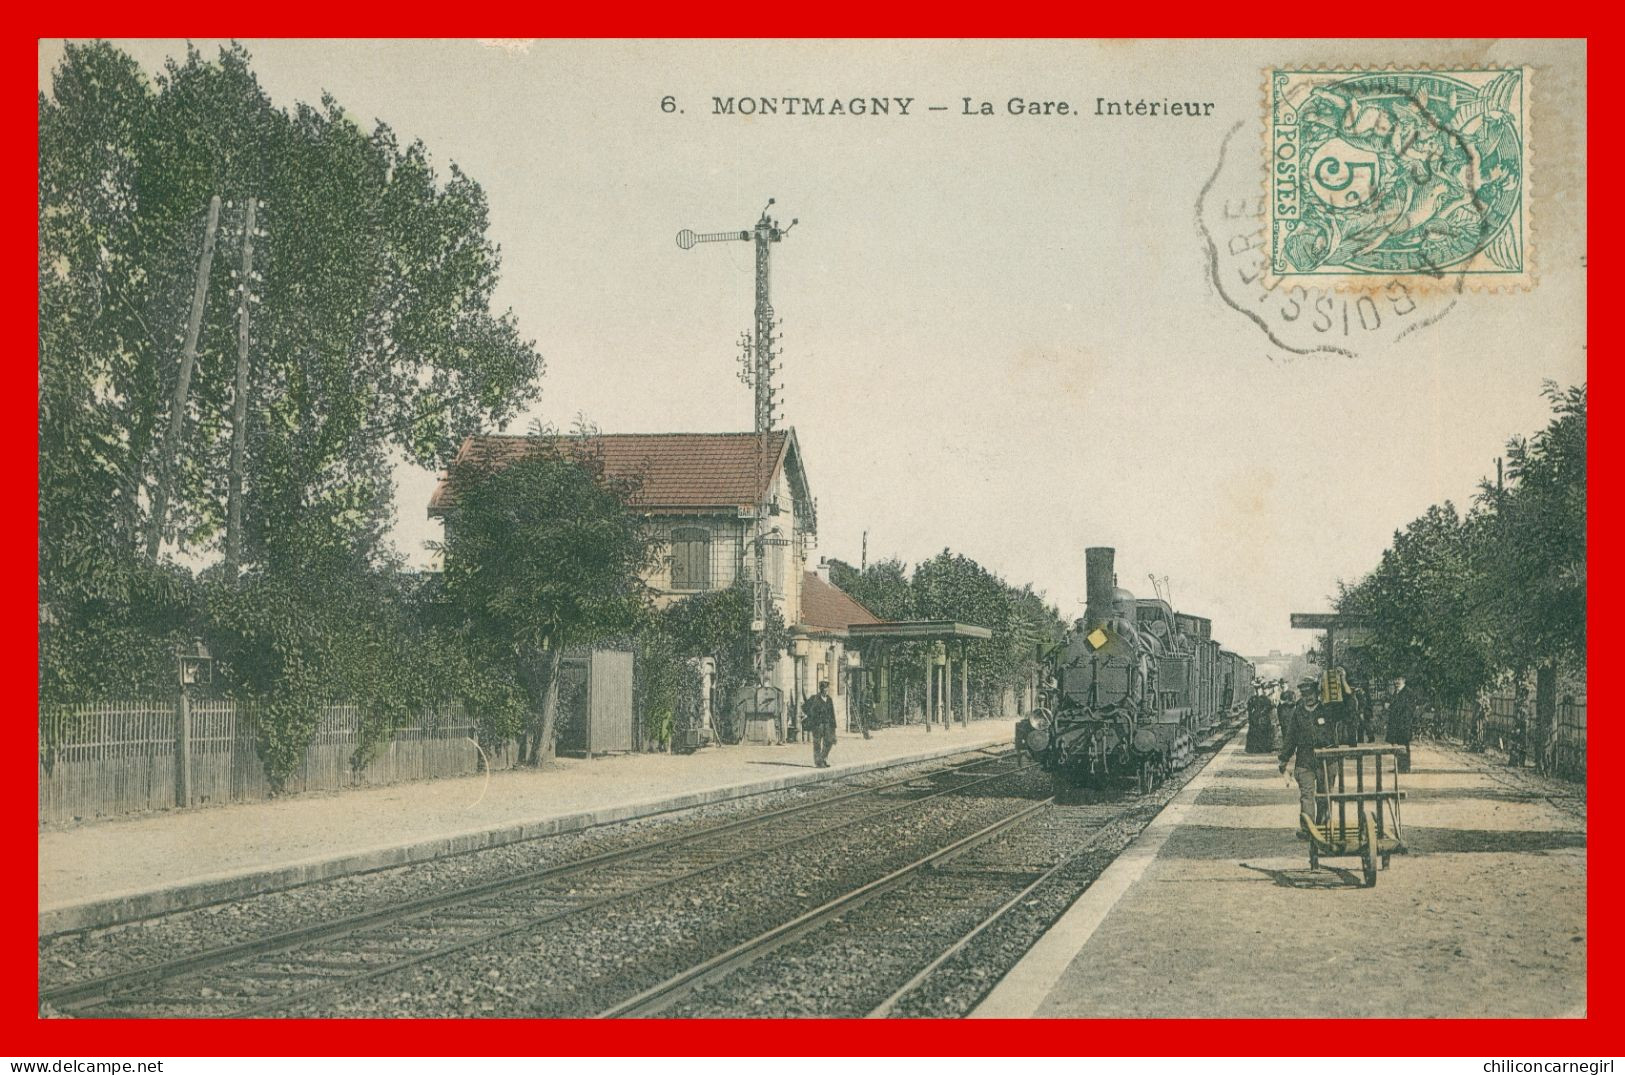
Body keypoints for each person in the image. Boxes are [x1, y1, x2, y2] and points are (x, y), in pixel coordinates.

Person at [1279, 676, 1335, 838]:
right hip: (1305, 760)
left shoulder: (1328, 710)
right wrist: (1284, 758)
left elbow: (1346, 709)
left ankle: (1323, 826)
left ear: (1317, 693)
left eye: (1310, 694)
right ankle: (1308, 829)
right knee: (1307, 795)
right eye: (1304, 695)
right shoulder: (1299, 712)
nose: (1307, 698)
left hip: (1327, 759)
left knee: (1325, 795)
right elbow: (1291, 737)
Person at [1386, 675, 1416, 773]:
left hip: (1403, 724)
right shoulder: (1396, 692)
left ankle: (1405, 768)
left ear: (1404, 680)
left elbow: (1409, 709)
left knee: (1404, 745)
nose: (1396, 681)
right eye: (1395, 679)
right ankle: (1398, 767)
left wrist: (1404, 722)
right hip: (1395, 724)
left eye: (1399, 679)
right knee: (1397, 745)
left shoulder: (1408, 692)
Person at [803, 680, 837, 768]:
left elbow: (832, 713)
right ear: (820, 689)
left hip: (827, 725)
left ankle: (823, 758)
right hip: (817, 725)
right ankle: (818, 762)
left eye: (827, 689)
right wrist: (812, 716)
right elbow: (804, 707)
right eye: (824, 689)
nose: (826, 691)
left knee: (829, 742)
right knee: (817, 744)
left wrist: (833, 726)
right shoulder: (814, 698)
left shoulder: (829, 699)